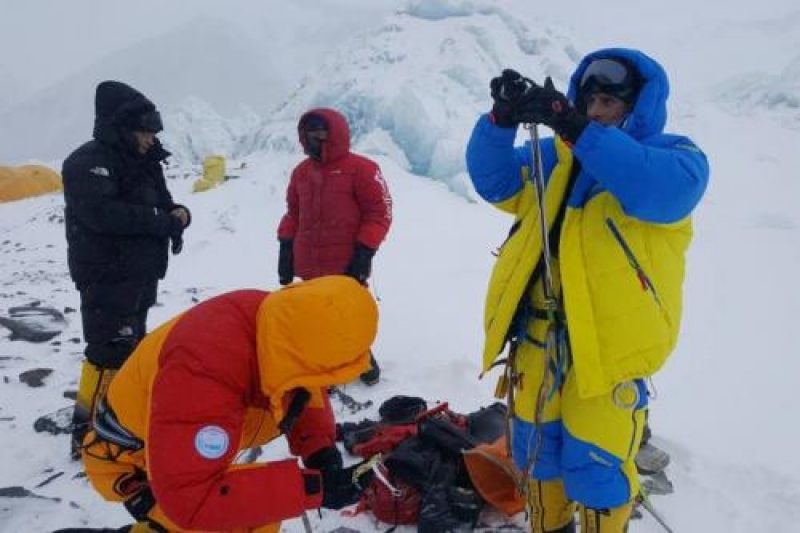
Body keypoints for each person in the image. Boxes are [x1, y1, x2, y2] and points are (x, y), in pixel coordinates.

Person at [465, 48, 709, 532]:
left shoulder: (676, 158)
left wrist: (577, 129)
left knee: (596, 466)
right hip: (537, 343)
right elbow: (492, 180)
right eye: (589, 101)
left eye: (608, 104)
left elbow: (659, 189)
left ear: (637, 107)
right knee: (537, 458)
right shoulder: (553, 158)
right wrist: (499, 120)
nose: (596, 112)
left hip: (607, 355)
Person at [57, 276, 377, 533]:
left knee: (258, 506)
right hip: (133, 464)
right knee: (248, 518)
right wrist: (315, 488)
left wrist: (321, 452)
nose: (330, 384)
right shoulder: (201, 369)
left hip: (187, 451)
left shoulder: (284, 320)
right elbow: (191, 500)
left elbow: (307, 384)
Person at [62, 80, 191, 459]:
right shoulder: (87, 163)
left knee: (131, 349)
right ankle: (86, 433)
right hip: (106, 273)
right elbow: (104, 215)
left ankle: (118, 420)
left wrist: (178, 214)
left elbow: (162, 204)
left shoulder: (144, 164)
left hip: (140, 273)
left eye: (153, 132)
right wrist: (160, 221)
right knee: (106, 353)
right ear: (122, 126)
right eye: (145, 131)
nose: (151, 139)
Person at [277, 107, 392, 386]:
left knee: (349, 314)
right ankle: (322, 367)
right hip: (309, 262)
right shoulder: (301, 173)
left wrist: (365, 252)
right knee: (315, 315)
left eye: (321, 130)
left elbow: (379, 213)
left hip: (347, 261)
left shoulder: (362, 169)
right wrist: (285, 247)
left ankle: (360, 357)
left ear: (335, 132)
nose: (315, 137)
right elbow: (293, 213)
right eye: (310, 131)